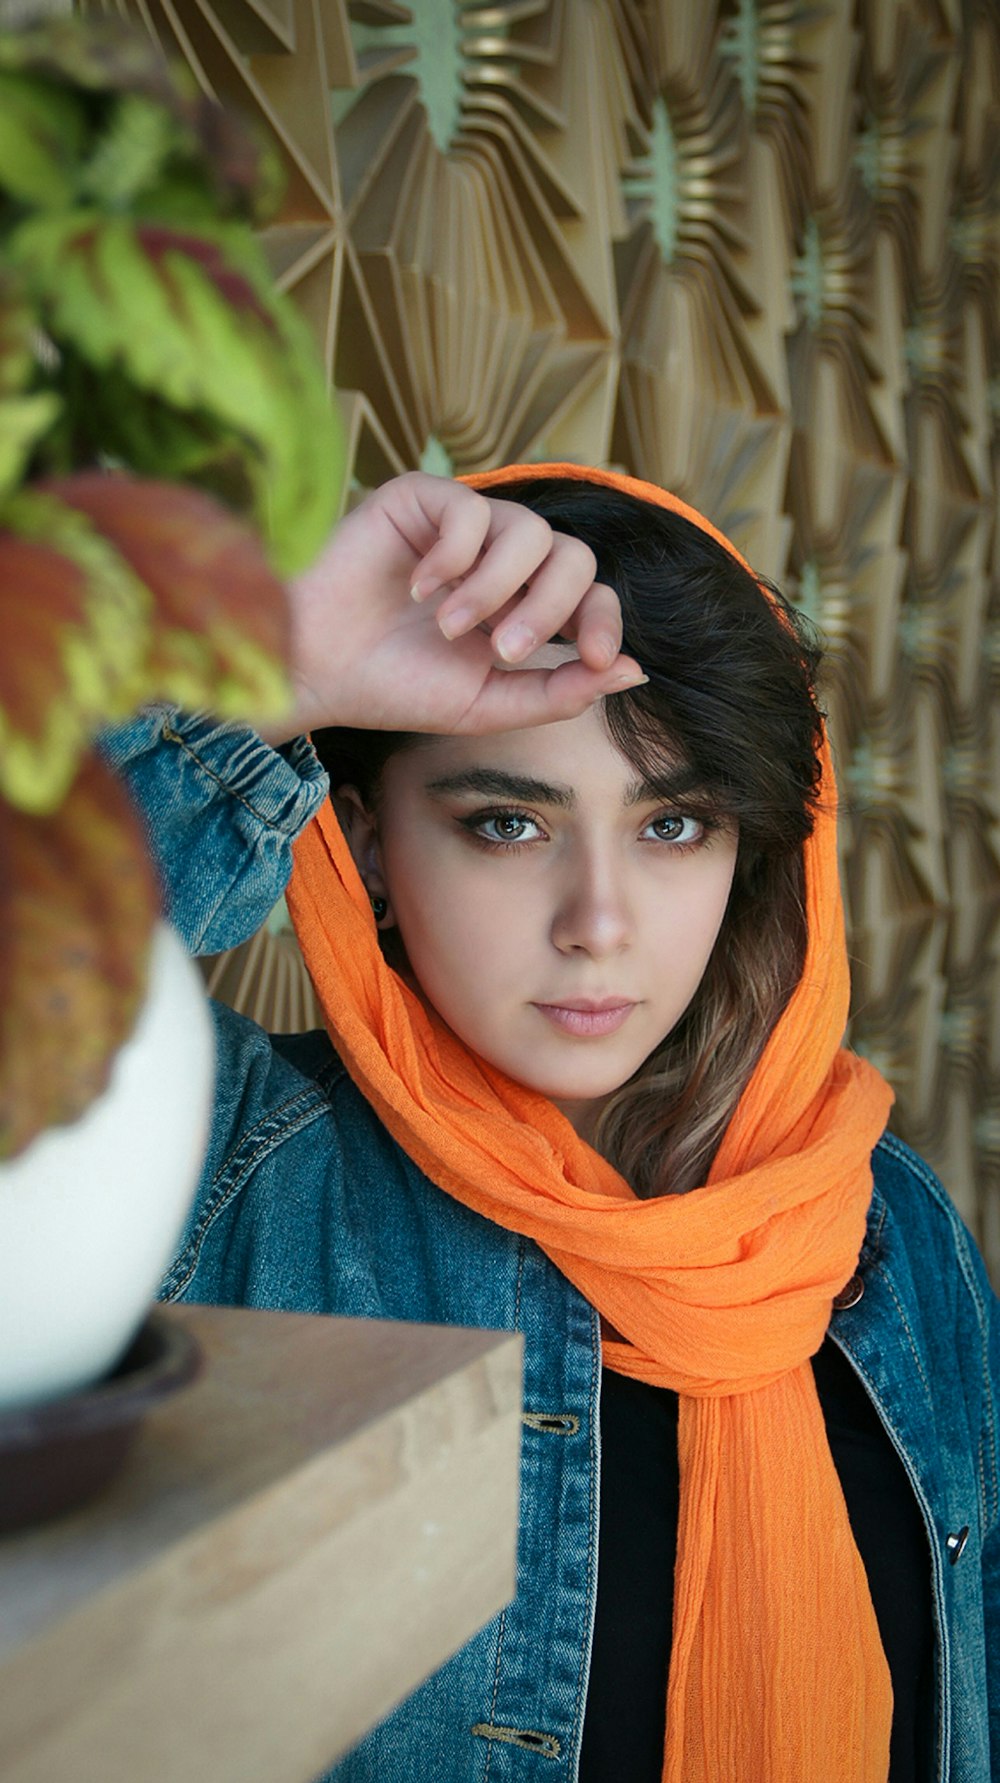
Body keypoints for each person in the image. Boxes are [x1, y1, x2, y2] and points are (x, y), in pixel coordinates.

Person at [105, 465, 999, 1783]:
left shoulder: (885, 1223)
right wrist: (275, 668)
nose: (600, 920)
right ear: (366, 857)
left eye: (674, 823)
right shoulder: (214, 1173)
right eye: (509, 823)